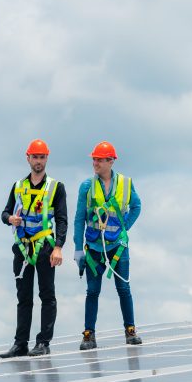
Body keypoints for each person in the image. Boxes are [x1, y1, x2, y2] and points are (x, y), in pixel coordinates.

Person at [0, 139, 66, 358]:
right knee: (24, 297)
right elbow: (4, 213)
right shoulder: (19, 186)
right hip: (22, 248)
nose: (39, 161)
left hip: (45, 247)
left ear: (47, 158)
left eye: (42, 157)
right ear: (28, 158)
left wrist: (58, 247)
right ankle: (20, 344)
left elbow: (62, 219)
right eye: (35, 157)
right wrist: (11, 219)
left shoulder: (55, 187)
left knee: (47, 294)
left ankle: (43, 342)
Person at [73, 141, 142, 350]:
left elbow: (136, 206)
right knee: (92, 291)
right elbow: (79, 218)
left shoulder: (126, 184)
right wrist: (78, 248)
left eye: (99, 159)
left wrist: (124, 228)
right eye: (94, 159)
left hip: (118, 247)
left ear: (110, 161)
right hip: (94, 247)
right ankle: (88, 335)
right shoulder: (87, 186)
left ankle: (130, 331)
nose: (95, 163)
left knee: (124, 289)